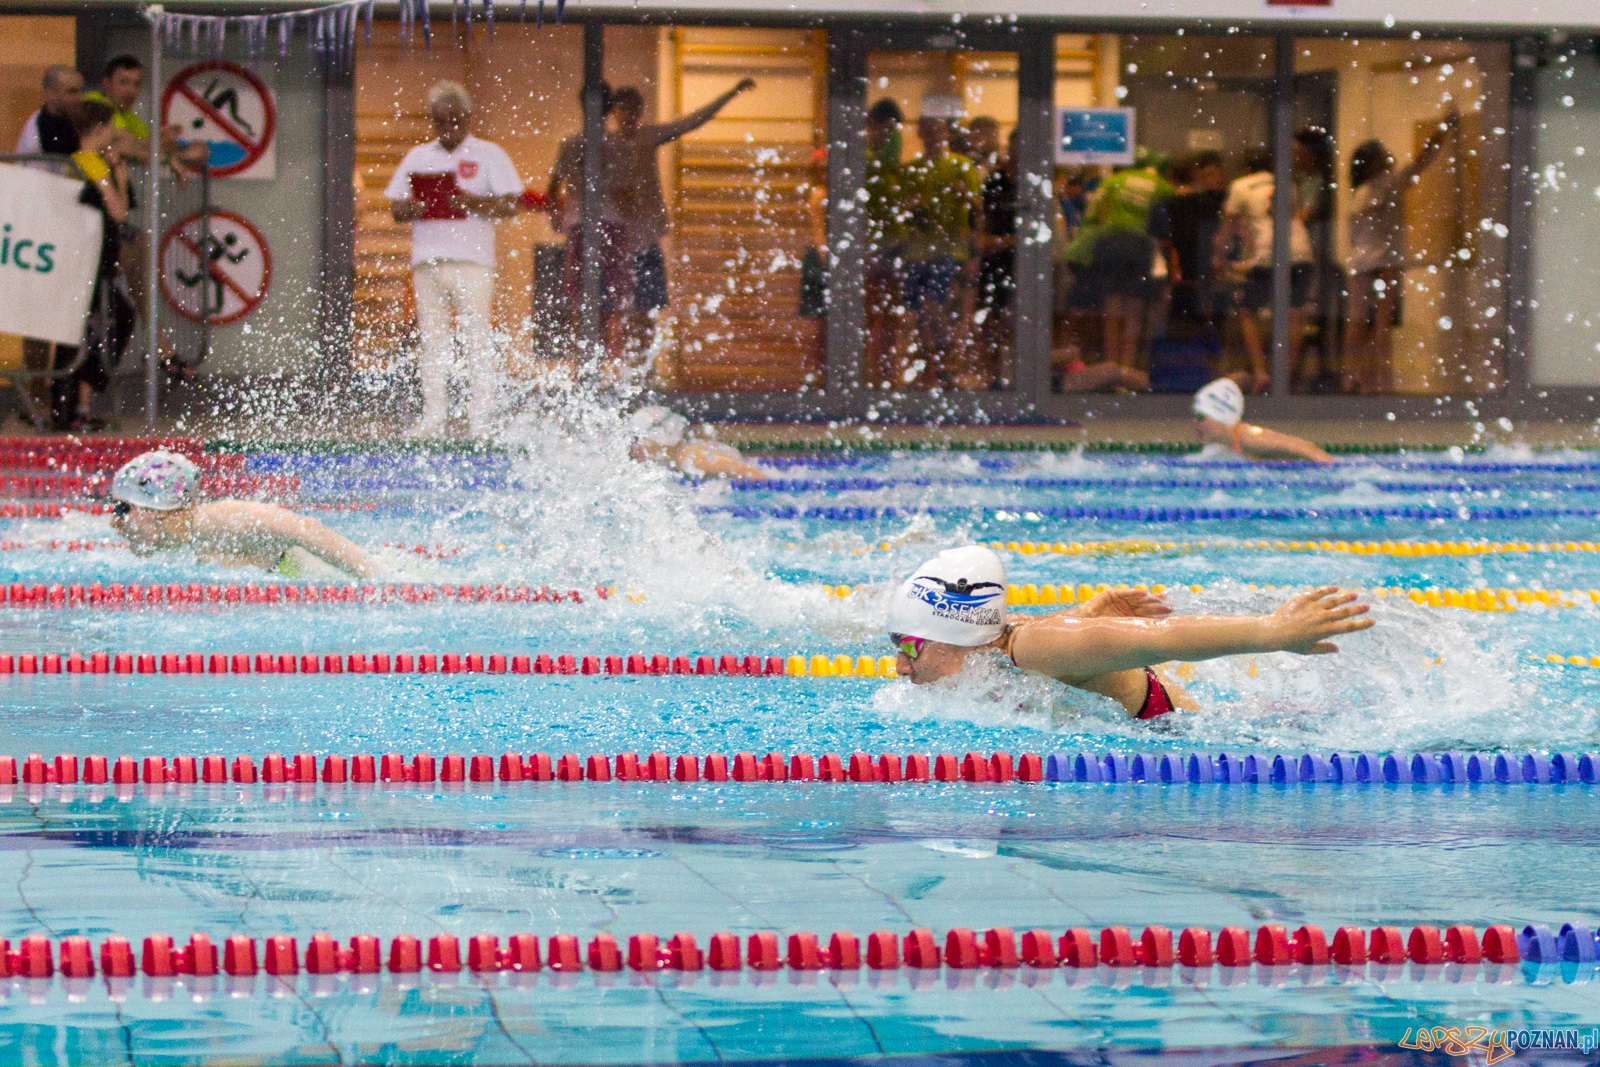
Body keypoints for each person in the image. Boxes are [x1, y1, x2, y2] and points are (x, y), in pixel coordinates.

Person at [886, 546, 1372, 720]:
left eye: (909, 647)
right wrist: (1083, 614)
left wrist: (1272, 630)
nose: (900, 665)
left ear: (956, 634)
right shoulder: (997, 643)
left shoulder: (1036, 647)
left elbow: (1162, 637)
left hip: (1180, 733)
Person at [386, 81, 523, 438]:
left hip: (472, 262)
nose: (449, 128)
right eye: (441, 121)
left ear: (468, 117)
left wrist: (471, 202)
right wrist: (416, 207)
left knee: (477, 341)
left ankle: (480, 422)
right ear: (431, 120)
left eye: (455, 120)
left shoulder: (490, 154)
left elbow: (511, 204)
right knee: (433, 343)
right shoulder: (418, 157)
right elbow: (396, 208)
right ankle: (433, 419)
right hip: (427, 261)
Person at [600, 78, 755, 362]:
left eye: (634, 111)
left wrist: (730, 94)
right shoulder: (607, 145)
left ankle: (643, 367)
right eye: (623, 111)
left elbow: (691, 121)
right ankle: (617, 366)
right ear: (614, 113)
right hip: (618, 240)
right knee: (615, 310)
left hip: (646, 238)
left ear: (640, 112)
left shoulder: (647, 137)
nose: (629, 118)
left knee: (646, 310)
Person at [109, 451, 383, 580]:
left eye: (122, 509)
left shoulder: (213, 521)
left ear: (153, 510)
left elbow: (306, 529)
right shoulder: (179, 545)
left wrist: (379, 579)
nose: (114, 523)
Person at [1343, 109, 1460, 395]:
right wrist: (1444, 128)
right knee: (1380, 326)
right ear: (1375, 162)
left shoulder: (1359, 192)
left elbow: (1355, 232)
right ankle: (1381, 383)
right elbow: (1423, 159)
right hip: (1385, 262)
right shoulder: (1389, 182)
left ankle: (1355, 380)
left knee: (1358, 324)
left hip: (1361, 263)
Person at [51, 100, 137, 432]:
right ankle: (72, 405)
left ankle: (75, 406)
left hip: (84, 260)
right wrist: (119, 176)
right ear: (100, 129)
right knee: (112, 319)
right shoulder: (90, 163)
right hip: (89, 263)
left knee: (82, 330)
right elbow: (118, 211)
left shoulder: (75, 161)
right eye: (113, 128)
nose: (116, 134)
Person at [14, 65, 84, 428]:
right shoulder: (43, 126)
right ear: (50, 93)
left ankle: (49, 396)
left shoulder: (67, 123)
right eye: (70, 92)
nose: (77, 98)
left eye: (79, 91)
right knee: (39, 319)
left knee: (56, 317)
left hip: (57, 229)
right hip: (38, 231)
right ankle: (35, 395)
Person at [898, 98, 981, 389]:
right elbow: (902, 212)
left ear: (946, 132)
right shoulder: (912, 170)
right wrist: (910, 209)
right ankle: (932, 366)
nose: (934, 134)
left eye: (938, 129)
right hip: (917, 250)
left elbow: (977, 208)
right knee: (917, 314)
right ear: (920, 132)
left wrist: (974, 252)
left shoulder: (961, 166)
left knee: (934, 308)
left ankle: (944, 362)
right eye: (928, 129)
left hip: (949, 249)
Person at [1218, 150, 1314, 394]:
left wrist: (1219, 256)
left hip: (1269, 252)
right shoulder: (1287, 182)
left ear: (1246, 169)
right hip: (1300, 250)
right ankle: (1285, 375)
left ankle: (1261, 372)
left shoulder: (1241, 185)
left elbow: (1228, 225)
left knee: (1248, 310)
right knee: (1294, 313)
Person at [862, 98, 908, 388]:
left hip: (893, 243)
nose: (890, 137)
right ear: (872, 126)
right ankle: (866, 373)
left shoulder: (889, 162)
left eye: (894, 131)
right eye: (886, 129)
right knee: (868, 313)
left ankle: (885, 373)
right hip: (869, 244)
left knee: (890, 315)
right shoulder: (865, 160)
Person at [1191, 377, 1334, 464]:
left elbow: (1307, 449)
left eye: (1201, 417)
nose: (1196, 423)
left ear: (1221, 418)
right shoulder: (1225, 444)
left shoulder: (1249, 439)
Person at [626, 407, 766, 480]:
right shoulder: (671, 457)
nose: (635, 447)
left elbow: (750, 473)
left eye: (638, 440)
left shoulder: (691, 456)